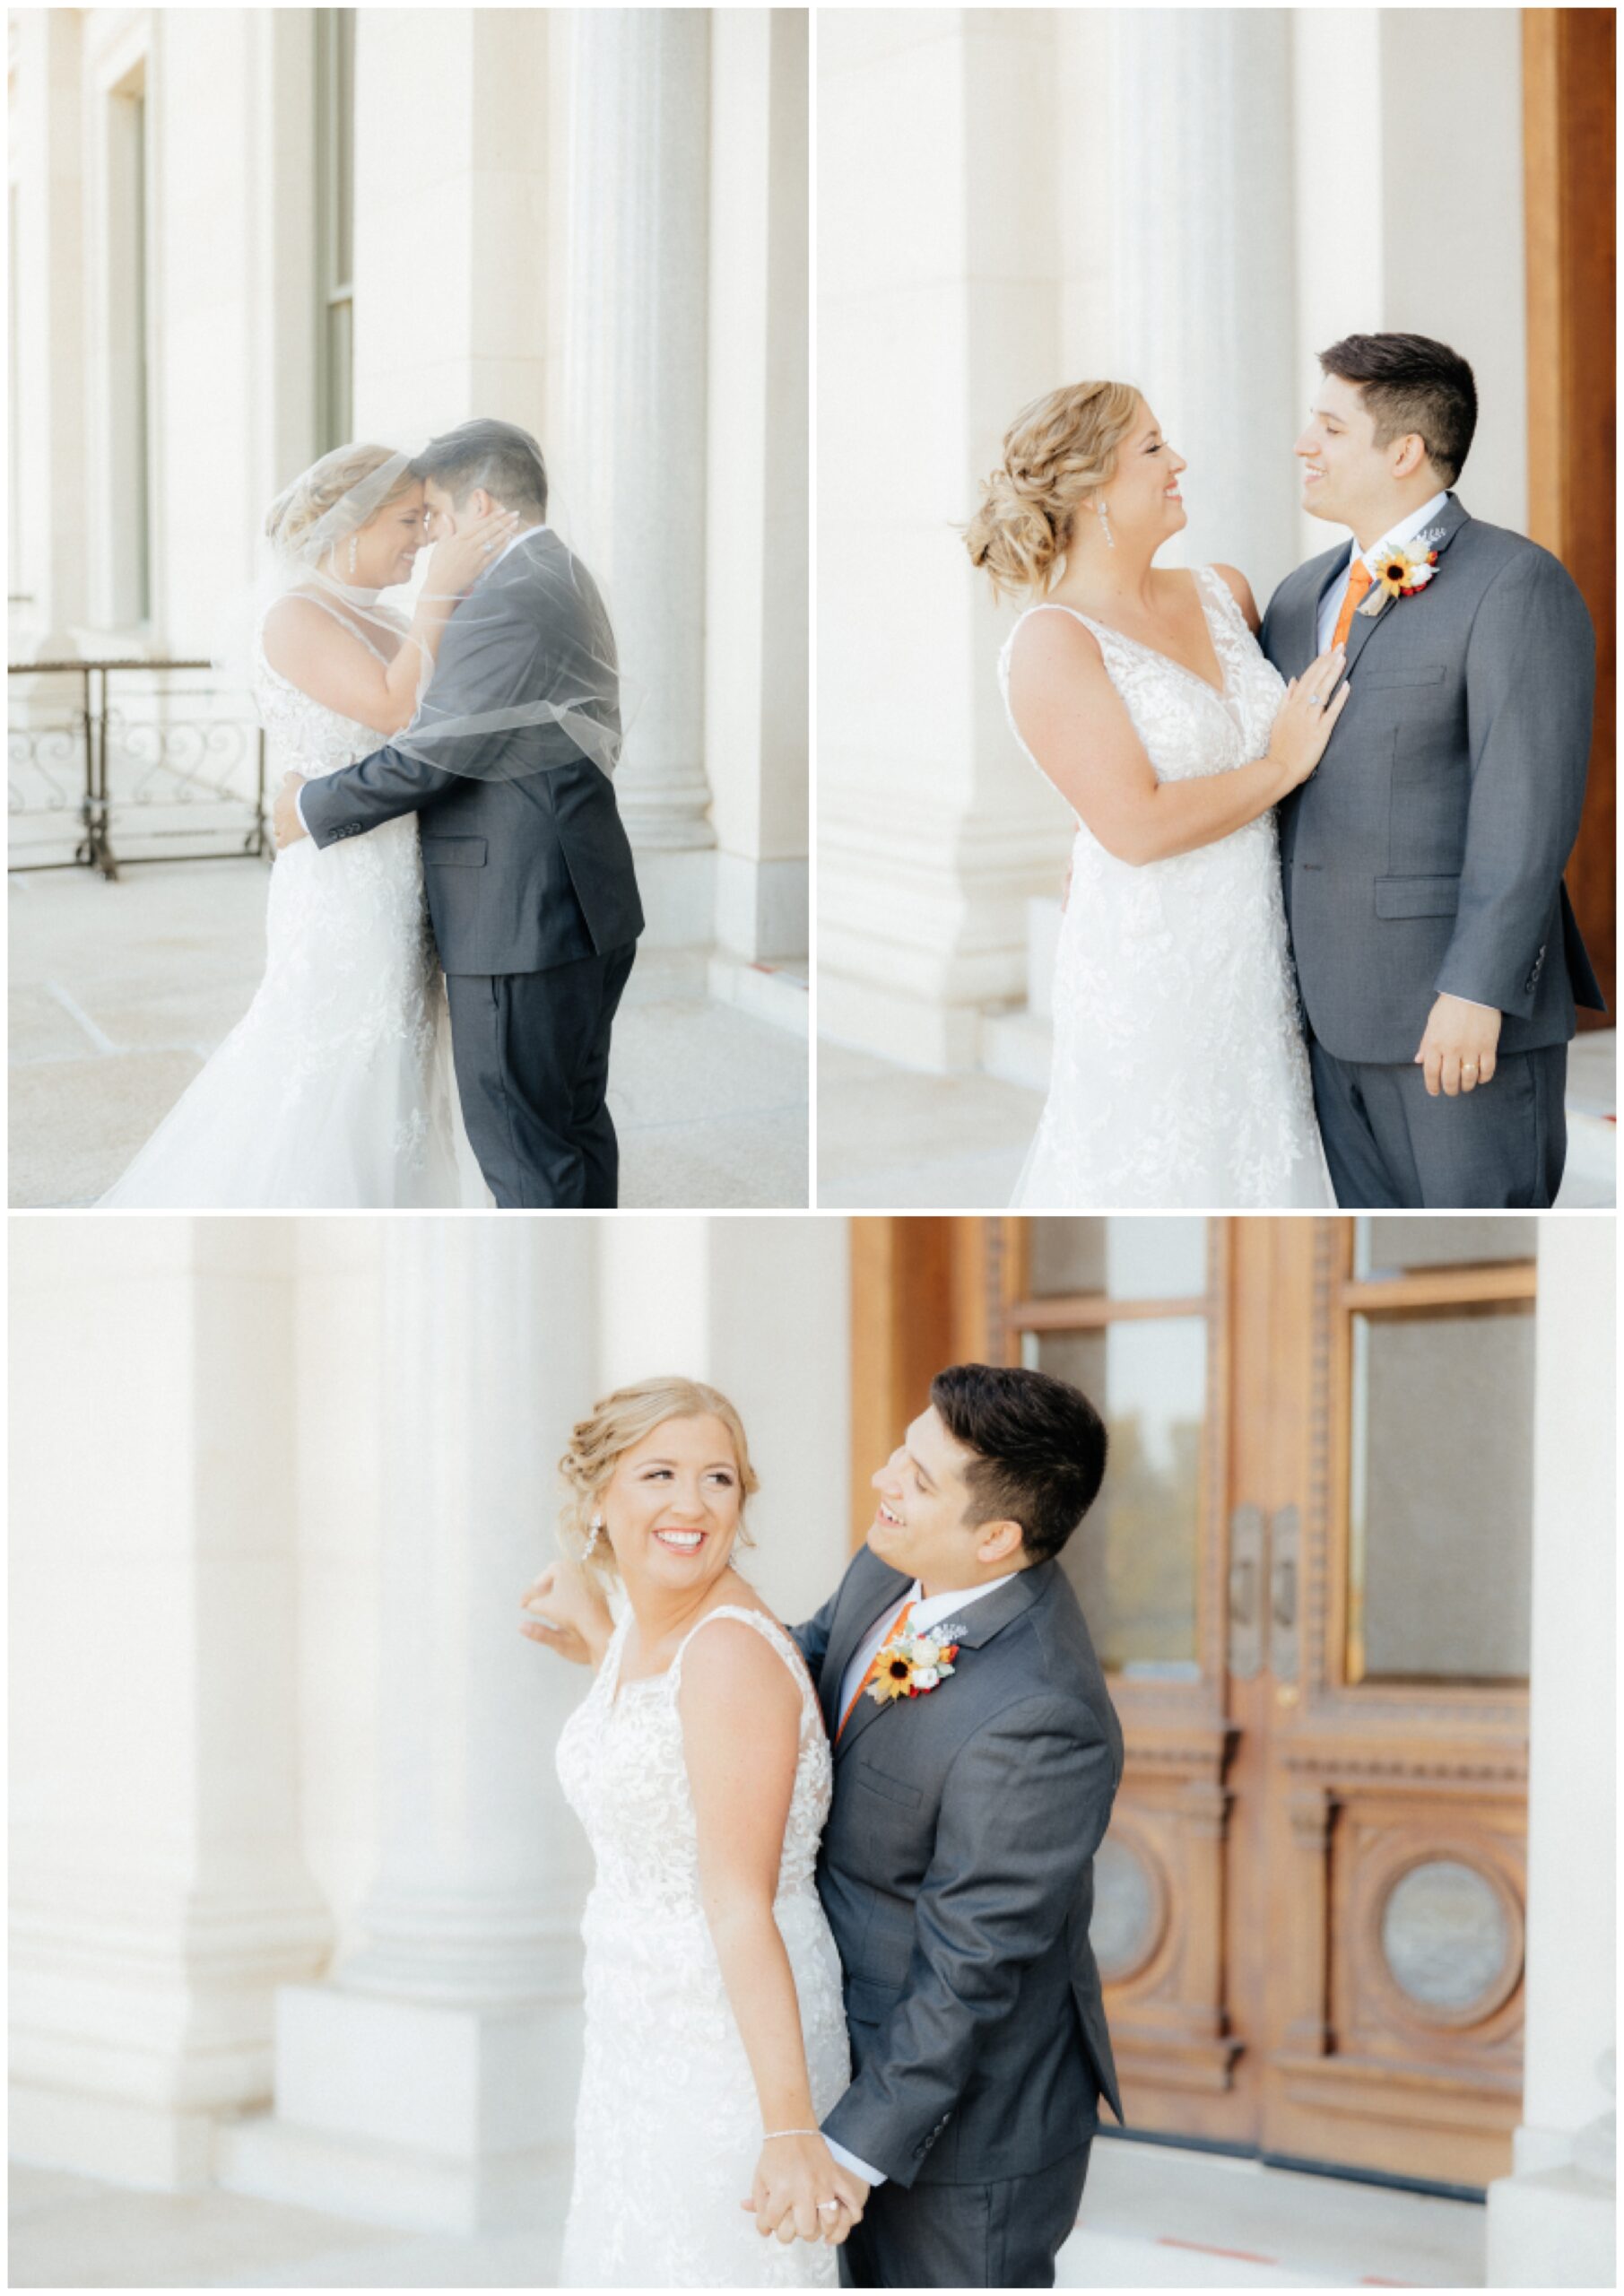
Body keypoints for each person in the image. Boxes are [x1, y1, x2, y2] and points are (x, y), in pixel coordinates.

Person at [527, 1362, 1124, 2290]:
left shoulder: (1040, 1714)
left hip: (956, 2127)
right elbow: (778, 1690)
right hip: (798, 2045)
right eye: (901, 1451)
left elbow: (970, 1971)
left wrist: (836, 2148)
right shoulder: (898, 1555)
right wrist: (617, 1647)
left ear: (997, 1537)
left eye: (917, 1478)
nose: (883, 1480)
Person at [970, 381, 1340, 1208]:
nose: (1177, 462)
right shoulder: (1052, 642)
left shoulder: (1225, 593)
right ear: (1092, 485)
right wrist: (1281, 766)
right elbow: (1132, 827)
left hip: (1257, 953)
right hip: (1152, 962)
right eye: (1151, 448)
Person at [100, 443, 500, 1207]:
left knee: (400, 1062)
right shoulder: (294, 615)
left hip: (406, 873)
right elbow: (390, 708)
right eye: (408, 520)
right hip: (345, 887)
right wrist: (440, 596)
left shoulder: (378, 614)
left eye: (426, 521)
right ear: (349, 525)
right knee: (341, 1055)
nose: (422, 538)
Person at [1262, 331, 1602, 1206]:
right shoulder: (1298, 596)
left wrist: (1474, 990)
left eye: (1330, 429)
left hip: (1449, 1021)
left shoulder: (1513, 584)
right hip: (1322, 1018)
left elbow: (1523, 808)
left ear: (1404, 451)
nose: (1304, 444)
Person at [274, 418, 645, 1209]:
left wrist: (308, 808)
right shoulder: (556, 571)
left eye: (432, 516)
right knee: (572, 1130)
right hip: (567, 898)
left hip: (521, 914)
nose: (428, 540)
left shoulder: (504, 598)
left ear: (479, 505)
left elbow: (432, 757)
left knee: (525, 1151)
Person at [542, 1378, 857, 2288]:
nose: (691, 1504)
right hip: (634, 2030)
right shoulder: (647, 1622)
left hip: (725, 2048)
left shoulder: (726, 1652)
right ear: (598, 1497)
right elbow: (667, 1746)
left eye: (718, 1479)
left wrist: (789, 2129)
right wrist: (598, 1629)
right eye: (659, 1474)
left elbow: (735, 1901)